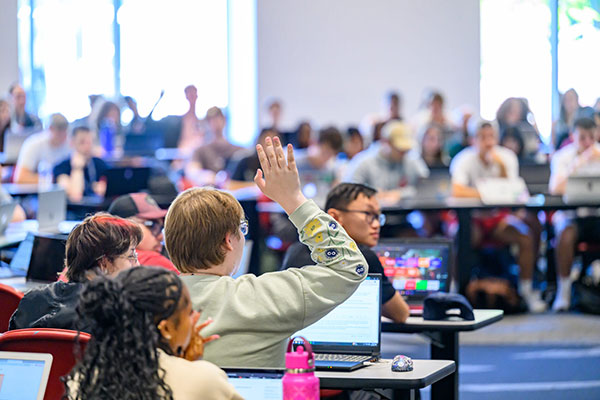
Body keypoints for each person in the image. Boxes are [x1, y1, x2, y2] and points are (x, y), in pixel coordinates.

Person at [164, 136, 368, 367]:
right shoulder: (262, 298)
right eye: (242, 229)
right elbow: (351, 266)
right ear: (227, 241)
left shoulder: (147, 302)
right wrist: (293, 200)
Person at [65, 267, 242, 400]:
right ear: (166, 329)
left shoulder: (82, 381)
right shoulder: (205, 380)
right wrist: (192, 366)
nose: (195, 319)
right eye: (189, 313)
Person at [450, 120, 546, 312]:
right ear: (473, 139)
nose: (488, 142)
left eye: (491, 136)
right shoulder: (463, 159)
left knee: (525, 236)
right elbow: (457, 190)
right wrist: (487, 193)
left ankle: (526, 292)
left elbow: (514, 191)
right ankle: (455, 292)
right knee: (459, 236)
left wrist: (500, 169)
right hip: (473, 219)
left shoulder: (506, 157)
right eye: (482, 137)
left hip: (498, 219)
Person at [281, 183, 410, 323]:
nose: (376, 224)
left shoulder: (294, 250)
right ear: (335, 217)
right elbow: (401, 314)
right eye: (368, 214)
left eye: (378, 217)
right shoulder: (363, 258)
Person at [9, 213, 142, 331]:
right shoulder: (120, 316)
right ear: (104, 263)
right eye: (131, 257)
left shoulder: (30, 302)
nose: (138, 265)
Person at [549, 117, 600, 311]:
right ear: (573, 136)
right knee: (564, 232)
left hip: (597, 215)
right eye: (582, 138)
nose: (587, 143)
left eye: (591, 138)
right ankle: (564, 291)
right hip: (572, 216)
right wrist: (578, 164)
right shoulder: (563, 157)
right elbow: (556, 188)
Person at [344, 121, 429, 204]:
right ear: (385, 142)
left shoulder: (411, 160)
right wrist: (372, 195)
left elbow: (427, 187)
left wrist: (400, 194)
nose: (403, 153)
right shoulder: (362, 163)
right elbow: (349, 194)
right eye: (400, 149)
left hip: (404, 215)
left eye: (406, 150)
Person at [108, 192, 178, 274]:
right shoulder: (153, 261)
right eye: (152, 226)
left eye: (161, 228)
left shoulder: (104, 262)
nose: (161, 236)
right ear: (125, 229)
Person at [185, 107, 243, 186]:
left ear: (224, 120)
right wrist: (205, 175)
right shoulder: (200, 151)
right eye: (211, 120)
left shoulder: (238, 150)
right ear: (207, 123)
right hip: (211, 190)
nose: (215, 123)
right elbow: (193, 171)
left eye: (218, 119)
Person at [53, 126, 108, 202]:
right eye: (82, 142)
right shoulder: (61, 167)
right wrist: (77, 168)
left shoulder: (99, 164)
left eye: (89, 142)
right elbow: (75, 196)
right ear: (72, 143)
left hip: (98, 210)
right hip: (75, 211)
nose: (87, 146)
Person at [14, 113, 71, 184]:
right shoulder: (33, 144)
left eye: (65, 131)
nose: (63, 136)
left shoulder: (70, 144)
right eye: (60, 132)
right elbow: (20, 178)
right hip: (36, 192)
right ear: (50, 129)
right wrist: (52, 180)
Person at [294, 126, 343, 206]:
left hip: (322, 210)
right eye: (325, 151)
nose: (327, 157)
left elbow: (336, 194)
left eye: (331, 154)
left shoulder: (333, 168)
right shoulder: (297, 162)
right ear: (316, 144)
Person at [178, 85, 204, 155]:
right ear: (186, 96)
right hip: (186, 153)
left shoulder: (202, 120)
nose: (192, 96)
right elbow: (184, 141)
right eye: (190, 94)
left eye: (194, 93)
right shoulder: (183, 120)